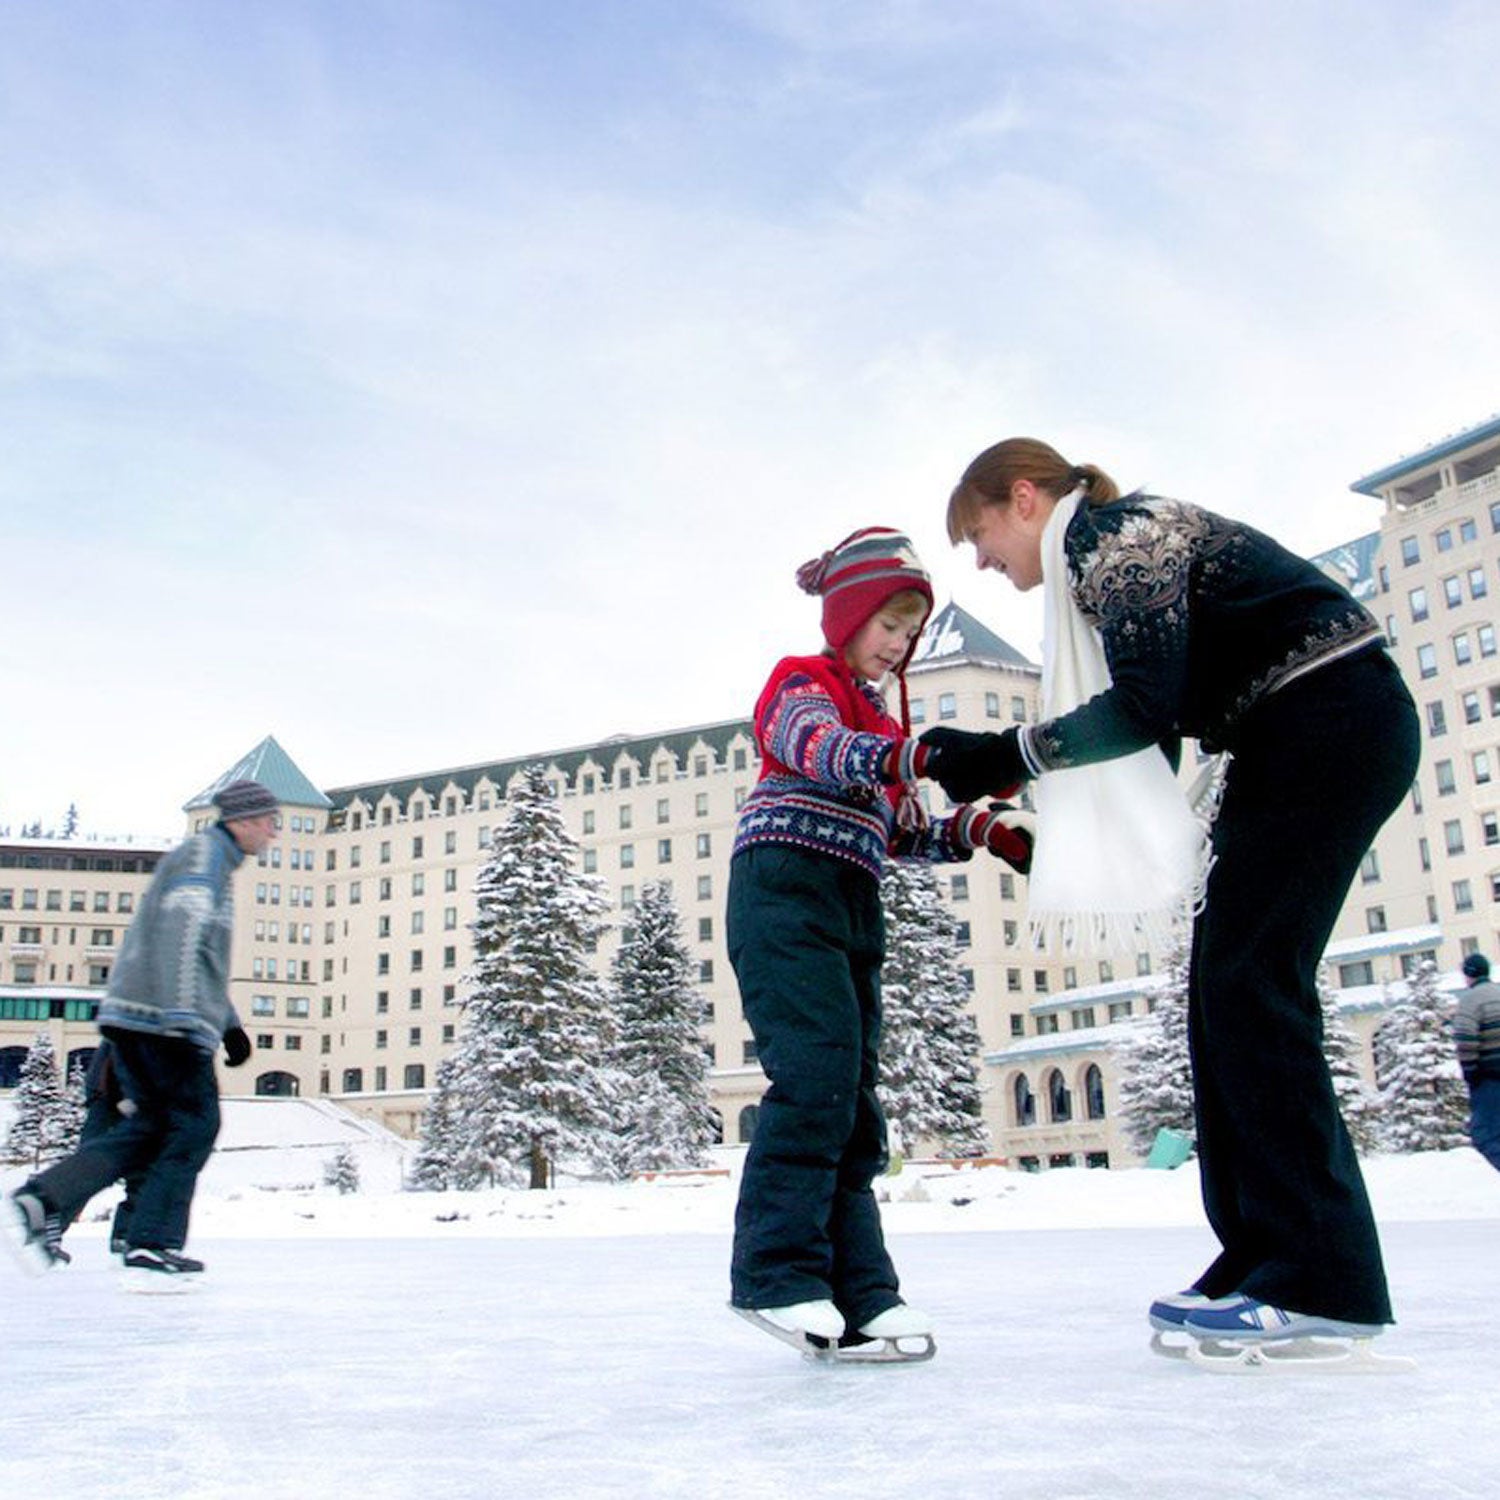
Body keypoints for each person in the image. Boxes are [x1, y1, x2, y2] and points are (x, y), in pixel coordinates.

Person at [920, 437, 1420, 1350]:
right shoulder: (1098, 558)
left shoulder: (1119, 541)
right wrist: (1037, 821)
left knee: (1251, 987)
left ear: (1024, 499)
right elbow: (1155, 751)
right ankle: (1264, 1252)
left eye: (981, 535)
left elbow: (1144, 710)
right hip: (1295, 734)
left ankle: (1321, 1279)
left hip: (1330, 720)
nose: (985, 562)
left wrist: (999, 754)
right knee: (1223, 992)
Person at [728, 526, 1033, 1354]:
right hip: (783, 887)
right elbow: (818, 753)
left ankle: (863, 1293)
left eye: (910, 633)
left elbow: (904, 833)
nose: (899, 647)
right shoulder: (804, 684)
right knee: (816, 1078)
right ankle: (777, 1273)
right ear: (850, 614)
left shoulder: (876, 717)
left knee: (854, 1101)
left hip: (853, 901)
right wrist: (918, 753)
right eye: (888, 626)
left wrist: (982, 829)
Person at [3, 779, 276, 1281]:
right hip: (160, 1021)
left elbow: (203, 956)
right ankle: (145, 1238)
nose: (273, 833)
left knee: (153, 1127)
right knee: (194, 1124)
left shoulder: (212, 862)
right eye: (267, 822)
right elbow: (181, 936)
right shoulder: (204, 857)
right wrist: (178, 1017)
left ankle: (51, 1202)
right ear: (242, 820)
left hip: (147, 1017)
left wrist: (229, 1024)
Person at [1454, 952, 1500, 1172]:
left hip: (1489, 1080)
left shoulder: (1470, 1001)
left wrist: (1470, 1073)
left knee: (1485, 1135)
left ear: (1468, 974)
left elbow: (1465, 1040)